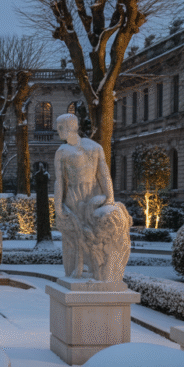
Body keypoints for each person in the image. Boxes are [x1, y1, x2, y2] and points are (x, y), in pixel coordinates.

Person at [53, 113, 129, 281]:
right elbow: (104, 176)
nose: (57, 131)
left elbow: (103, 175)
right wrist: (58, 205)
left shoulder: (65, 152)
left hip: (83, 198)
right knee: (76, 237)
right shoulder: (92, 147)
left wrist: (110, 196)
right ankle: (79, 270)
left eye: (60, 127)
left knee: (89, 238)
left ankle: (94, 270)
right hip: (80, 198)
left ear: (70, 127)